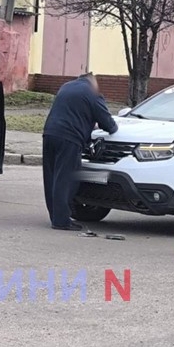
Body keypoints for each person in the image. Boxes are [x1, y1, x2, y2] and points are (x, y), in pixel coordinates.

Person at [42, 73, 118, 231]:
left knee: (52, 177)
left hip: (49, 133)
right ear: (93, 82)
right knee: (65, 179)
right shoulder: (92, 93)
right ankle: (61, 221)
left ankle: (55, 215)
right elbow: (109, 124)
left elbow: (72, 111)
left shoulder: (66, 87)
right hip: (69, 138)